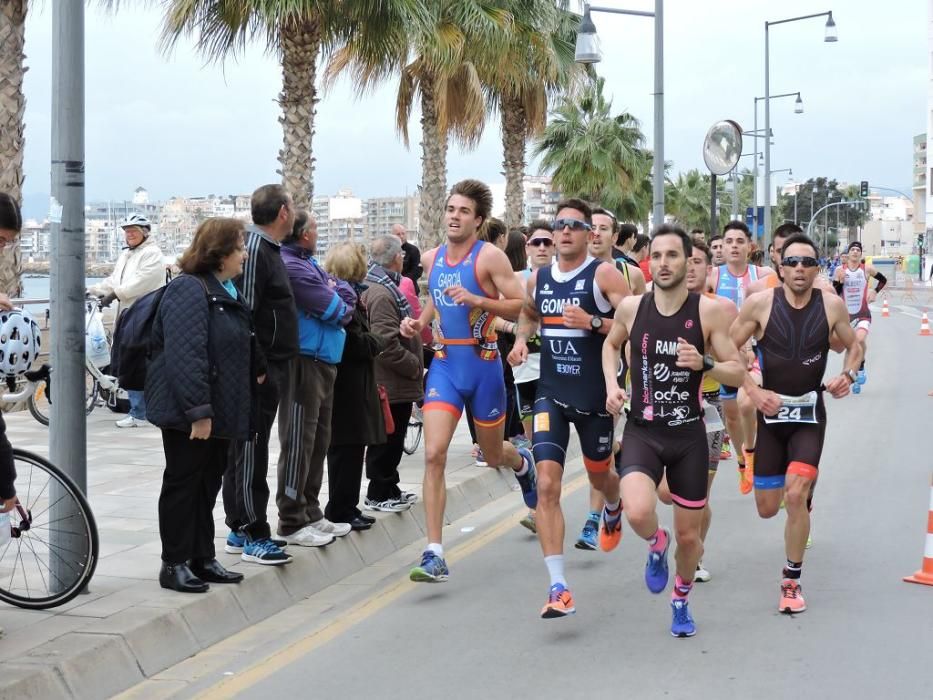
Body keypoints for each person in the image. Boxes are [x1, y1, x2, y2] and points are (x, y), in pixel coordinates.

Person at [602, 224, 745, 638]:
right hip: (643, 429)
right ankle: (654, 543)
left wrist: (705, 363)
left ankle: (680, 599)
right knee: (639, 511)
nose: (664, 263)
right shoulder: (632, 308)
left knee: (690, 539)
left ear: (688, 262)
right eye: (658, 256)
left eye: (673, 256)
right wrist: (614, 385)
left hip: (688, 437)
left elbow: (736, 368)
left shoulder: (708, 312)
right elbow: (611, 345)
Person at [400, 179, 537, 583]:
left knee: (494, 454)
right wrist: (419, 323)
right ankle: (434, 552)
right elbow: (436, 298)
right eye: (450, 209)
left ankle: (521, 463)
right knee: (434, 454)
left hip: (483, 365)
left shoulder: (489, 257)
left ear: (478, 220)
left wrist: (480, 300)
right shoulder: (432, 257)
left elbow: (522, 306)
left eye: (463, 211)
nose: (454, 216)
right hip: (444, 364)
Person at [509, 199, 632, 618]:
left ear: (588, 234)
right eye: (559, 224)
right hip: (551, 393)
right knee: (547, 484)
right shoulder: (539, 279)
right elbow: (528, 313)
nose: (564, 232)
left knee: (601, 473)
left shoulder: (603, 274)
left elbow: (635, 318)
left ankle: (612, 505)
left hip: (595, 396)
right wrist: (522, 340)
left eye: (573, 226)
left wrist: (594, 323)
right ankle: (558, 585)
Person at [731, 232, 863, 614]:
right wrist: (753, 390)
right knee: (768, 508)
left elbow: (854, 345)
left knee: (795, 494)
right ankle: (800, 498)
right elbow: (725, 346)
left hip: (809, 413)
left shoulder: (832, 306)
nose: (800, 269)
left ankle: (791, 582)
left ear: (817, 268)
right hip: (770, 414)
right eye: (792, 262)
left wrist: (848, 376)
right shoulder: (759, 304)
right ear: (780, 268)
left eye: (807, 262)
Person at [146, 218, 254, 593]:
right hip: (190, 412)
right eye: (240, 247)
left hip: (219, 408)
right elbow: (185, 354)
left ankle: (201, 557)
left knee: (207, 482)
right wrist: (199, 411)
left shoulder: (226, 289)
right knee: (183, 483)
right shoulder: (188, 290)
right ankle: (173, 563)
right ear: (220, 253)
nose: (244, 254)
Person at [222, 185, 296, 565]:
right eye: (293, 207)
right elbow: (244, 311)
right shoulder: (255, 252)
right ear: (283, 212)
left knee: (249, 448)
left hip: (270, 367)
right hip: (259, 372)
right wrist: (258, 367)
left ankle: (241, 526)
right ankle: (252, 531)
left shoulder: (268, 249)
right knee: (250, 450)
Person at [657, 239, 737, 583]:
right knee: (664, 491)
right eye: (684, 261)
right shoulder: (654, 304)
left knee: (699, 493)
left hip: (708, 407)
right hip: (662, 406)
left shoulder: (720, 310)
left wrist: (705, 363)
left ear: (709, 270)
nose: (690, 268)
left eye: (698, 262)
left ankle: (694, 552)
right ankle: (681, 542)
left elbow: (738, 362)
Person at [276, 210, 357, 547]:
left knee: (318, 440)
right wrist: (337, 293)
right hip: (303, 363)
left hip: (324, 361)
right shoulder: (293, 266)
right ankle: (291, 520)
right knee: (298, 442)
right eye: (314, 228)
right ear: (303, 233)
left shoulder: (309, 263)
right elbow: (339, 310)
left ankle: (310, 510)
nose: (317, 233)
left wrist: (338, 291)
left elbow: (347, 296)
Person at [708, 220, 775, 495]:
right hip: (725, 351)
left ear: (750, 246)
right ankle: (742, 460)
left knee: (747, 402)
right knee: (731, 415)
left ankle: (756, 451)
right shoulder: (713, 276)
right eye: (729, 241)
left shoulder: (764, 274)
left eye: (739, 241)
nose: (734, 246)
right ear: (722, 247)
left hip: (757, 349)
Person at [325, 243, 387, 529]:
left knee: (352, 450)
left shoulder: (347, 297)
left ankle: (348, 505)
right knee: (345, 451)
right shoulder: (344, 300)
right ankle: (340, 508)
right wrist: (378, 341)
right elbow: (356, 343)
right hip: (347, 388)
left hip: (354, 386)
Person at [363, 235, 424, 513]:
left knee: (395, 437)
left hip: (395, 382)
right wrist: (413, 365)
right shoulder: (381, 292)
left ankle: (390, 487)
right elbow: (385, 342)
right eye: (401, 253)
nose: (404, 257)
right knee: (386, 440)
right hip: (390, 382)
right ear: (395, 258)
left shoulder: (386, 286)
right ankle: (378, 492)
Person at [88, 213, 165, 428]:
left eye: (134, 231)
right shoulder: (126, 256)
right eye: (126, 231)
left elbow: (141, 282)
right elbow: (115, 280)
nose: (129, 234)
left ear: (145, 233)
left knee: (136, 363)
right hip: (127, 314)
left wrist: (114, 294)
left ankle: (140, 413)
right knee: (127, 361)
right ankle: (138, 409)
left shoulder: (153, 254)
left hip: (145, 315)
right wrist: (93, 290)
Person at [513, 221, 555, 534]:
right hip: (524, 370)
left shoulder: (563, 279)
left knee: (545, 443)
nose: (541, 248)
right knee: (531, 442)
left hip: (555, 371)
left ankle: (538, 509)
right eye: (536, 242)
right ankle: (536, 504)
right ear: (527, 248)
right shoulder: (517, 280)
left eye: (547, 243)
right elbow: (498, 316)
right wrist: (518, 336)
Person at [833, 241, 886, 392]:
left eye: (858, 250)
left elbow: (883, 280)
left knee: (859, 340)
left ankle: (860, 365)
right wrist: (840, 282)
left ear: (860, 254)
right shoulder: (839, 270)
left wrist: (874, 291)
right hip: (846, 316)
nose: (855, 252)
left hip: (863, 313)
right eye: (852, 249)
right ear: (848, 253)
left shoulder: (867, 269)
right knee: (851, 347)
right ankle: (852, 378)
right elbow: (835, 293)